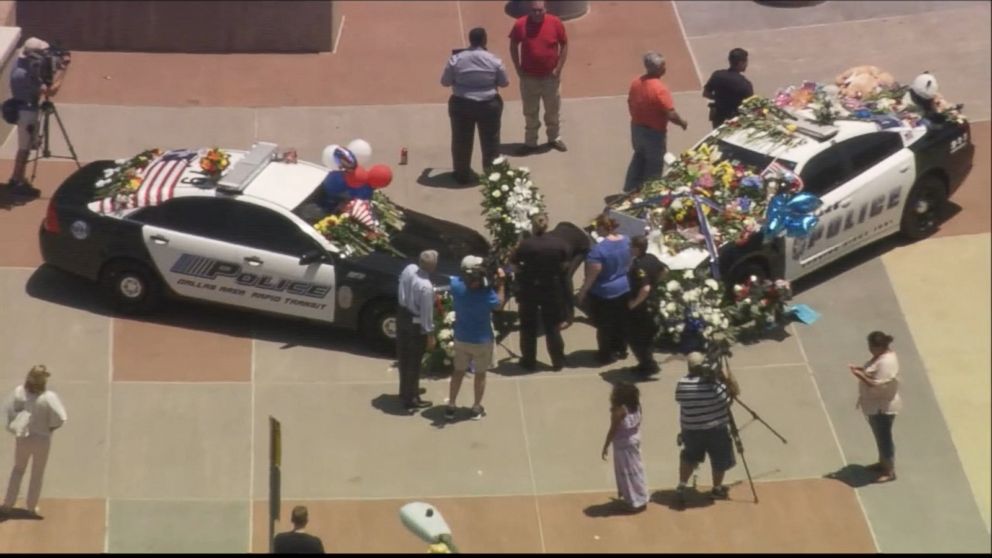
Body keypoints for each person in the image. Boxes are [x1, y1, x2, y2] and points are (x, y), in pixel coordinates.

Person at [441, 27, 510, 185]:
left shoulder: (456, 59)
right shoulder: (494, 60)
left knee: (461, 141)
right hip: (489, 105)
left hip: (461, 104)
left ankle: (462, 174)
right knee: (491, 141)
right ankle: (492, 176)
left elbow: (445, 82)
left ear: (470, 40)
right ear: (485, 40)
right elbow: (504, 83)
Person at [445, 256, 506, 421]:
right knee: (480, 374)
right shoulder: (487, 295)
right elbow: (499, 305)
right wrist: (500, 283)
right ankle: (476, 407)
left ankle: (451, 405)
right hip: (482, 340)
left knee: (458, 372)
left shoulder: (456, 286)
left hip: (461, 337)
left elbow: (460, 279)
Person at [2, 365, 67, 517]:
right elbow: (60, 417)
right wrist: (52, 427)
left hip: (23, 438)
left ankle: (7, 504)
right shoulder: (48, 397)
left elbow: (10, 411)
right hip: (42, 440)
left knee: (18, 470)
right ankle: (31, 506)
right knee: (37, 473)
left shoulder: (20, 392)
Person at [674, 352, 739, 504]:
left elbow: (679, 399)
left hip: (691, 430)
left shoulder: (682, 384)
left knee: (689, 456)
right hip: (716, 429)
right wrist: (722, 379)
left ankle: (682, 486)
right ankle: (717, 489)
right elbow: (728, 400)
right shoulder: (714, 385)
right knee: (719, 458)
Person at [6, 37, 66, 197]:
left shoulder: (24, 65)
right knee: (24, 149)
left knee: (25, 148)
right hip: (27, 112)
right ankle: (16, 180)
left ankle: (18, 178)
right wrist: (63, 71)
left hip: (27, 109)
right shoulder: (24, 73)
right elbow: (51, 91)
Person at [511, 212, 569, 371]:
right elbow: (565, 265)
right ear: (547, 224)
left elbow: (514, 266)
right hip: (551, 288)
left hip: (529, 289)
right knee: (552, 327)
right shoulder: (559, 244)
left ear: (533, 225)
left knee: (528, 327)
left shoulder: (525, 245)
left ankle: (529, 361)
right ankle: (558, 361)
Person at [623, 51, 688, 193]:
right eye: (663, 65)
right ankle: (649, 194)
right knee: (654, 165)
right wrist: (682, 122)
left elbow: (630, 102)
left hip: (637, 128)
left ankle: (631, 187)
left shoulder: (636, 83)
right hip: (654, 133)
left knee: (639, 156)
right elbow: (671, 114)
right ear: (659, 68)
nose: (665, 68)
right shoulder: (660, 89)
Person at [509, 0, 569, 154]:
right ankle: (530, 143)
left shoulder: (555, 23)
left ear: (545, 9)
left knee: (553, 111)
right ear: (529, 10)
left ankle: (554, 138)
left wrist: (559, 68)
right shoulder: (520, 24)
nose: (537, 13)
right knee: (530, 112)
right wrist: (517, 68)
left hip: (550, 78)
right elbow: (513, 45)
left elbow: (564, 44)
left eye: (540, 10)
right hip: (529, 78)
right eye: (534, 10)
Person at [577, 214, 632, 365]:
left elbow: (591, 276)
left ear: (602, 227)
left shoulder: (598, 251)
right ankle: (621, 349)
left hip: (605, 293)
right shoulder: (627, 241)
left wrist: (582, 292)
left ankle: (605, 355)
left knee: (604, 326)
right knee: (621, 321)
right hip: (625, 286)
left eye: (597, 228)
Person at [849, 331, 901, 483]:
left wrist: (859, 375)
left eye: (871, 347)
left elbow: (877, 385)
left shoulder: (886, 362)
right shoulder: (882, 356)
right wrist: (863, 370)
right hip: (875, 405)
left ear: (879, 346)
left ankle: (889, 471)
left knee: (884, 438)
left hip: (882, 407)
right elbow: (873, 371)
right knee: (880, 437)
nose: (869, 349)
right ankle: (882, 463)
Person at [396, 250, 438, 412]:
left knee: (403, 357)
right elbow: (426, 315)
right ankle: (411, 399)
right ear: (432, 266)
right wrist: (430, 336)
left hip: (402, 317)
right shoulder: (425, 287)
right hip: (415, 324)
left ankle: (404, 390)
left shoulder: (409, 268)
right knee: (414, 363)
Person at [600, 382, 648, 513]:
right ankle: (641, 496)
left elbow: (613, 430)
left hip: (623, 445)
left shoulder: (619, 411)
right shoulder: (637, 406)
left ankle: (633, 502)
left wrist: (605, 445)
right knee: (637, 469)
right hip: (635, 440)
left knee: (626, 473)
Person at [626, 235, 665, 376]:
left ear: (637, 249)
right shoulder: (651, 258)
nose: (629, 249)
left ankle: (647, 365)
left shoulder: (639, 266)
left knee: (636, 338)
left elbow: (645, 288)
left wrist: (634, 303)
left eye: (631, 246)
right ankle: (647, 363)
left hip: (641, 308)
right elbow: (664, 271)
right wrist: (656, 283)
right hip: (652, 303)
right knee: (646, 337)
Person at [703, 48, 753, 129]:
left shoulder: (717, 75)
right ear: (740, 63)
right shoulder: (745, 84)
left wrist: (719, 98)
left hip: (718, 120)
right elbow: (750, 104)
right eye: (745, 62)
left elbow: (705, 93)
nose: (747, 64)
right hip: (735, 122)